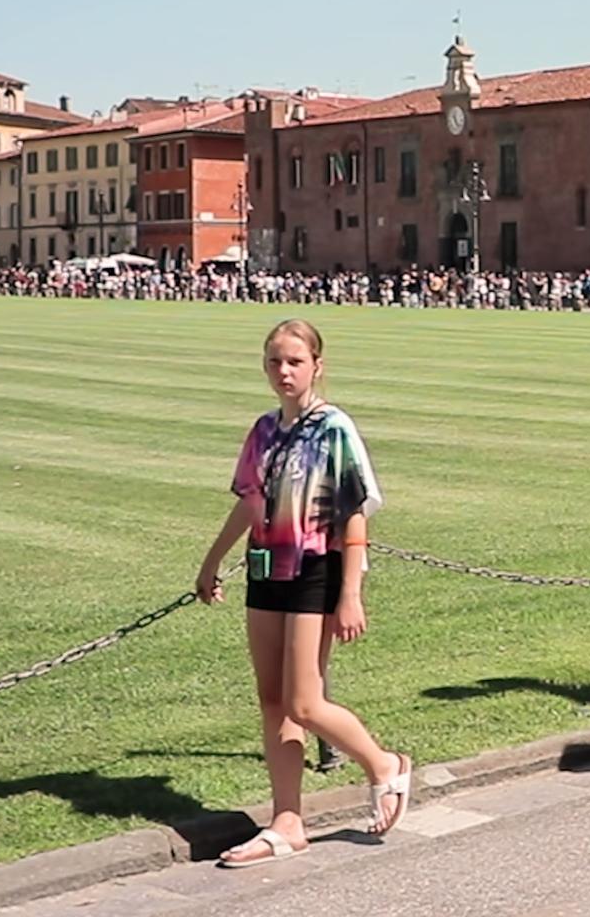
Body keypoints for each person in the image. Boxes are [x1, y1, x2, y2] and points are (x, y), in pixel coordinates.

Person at [194, 319, 410, 866]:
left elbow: (355, 513)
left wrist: (351, 593)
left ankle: (384, 765)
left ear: (317, 365)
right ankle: (286, 821)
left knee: (304, 702)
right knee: (272, 702)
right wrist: (213, 559)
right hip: (266, 569)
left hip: (314, 572)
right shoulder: (264, 430)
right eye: (274, 361)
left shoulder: (334, 428)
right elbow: (250, 502)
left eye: (294, 361)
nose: (284, 371)